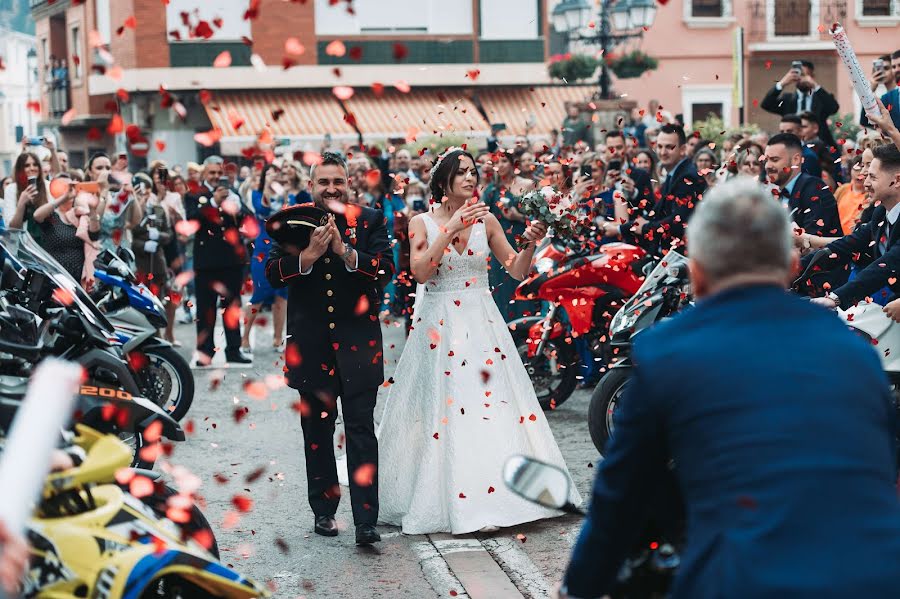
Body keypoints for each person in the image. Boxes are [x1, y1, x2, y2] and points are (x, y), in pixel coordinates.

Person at [560, 177, 900, 599]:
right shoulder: (854, 356)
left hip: (741, 580)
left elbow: (621, 495)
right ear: (792, 266)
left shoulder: (669, 353)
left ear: (698, 268)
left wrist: (578, 588)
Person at [378, 147, 581, 535]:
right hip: (438, 325)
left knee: (487, 404)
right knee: (442, 407)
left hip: (481, 322)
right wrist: (451, 228)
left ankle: (494, 493)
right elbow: (420, 273)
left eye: (473, 172)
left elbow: (516, 269)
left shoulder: (487, 220)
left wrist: (530, 242)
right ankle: (447, 493)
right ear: (444, 182)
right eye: (462, 173)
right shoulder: (420, 222)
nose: (471, 178)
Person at [265, 152, 393, 545]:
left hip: (359, 345)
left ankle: (366, 521)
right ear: (311, 186)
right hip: (311, 345)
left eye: (338, 181)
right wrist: (307, 257)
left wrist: (344, 252)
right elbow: (272, 274)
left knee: (360, 431)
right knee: (317, 432)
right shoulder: (290, 222)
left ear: (348, 183)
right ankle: (323, 511)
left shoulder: (371, 220)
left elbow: (385, 271)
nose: (332, 188)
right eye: (324, 182)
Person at [806, 143, 900, 311]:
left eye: (873, 177)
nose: (866, 183)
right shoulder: (880, 214)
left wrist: (835, 298)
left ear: (897, 180)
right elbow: (847, 245)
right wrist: (792, 269)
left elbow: (889, 262)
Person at [184, 155, 251, 366]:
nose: (215, 177)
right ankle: (205, 352)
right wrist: (214, 202)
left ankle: (234, 349)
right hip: (206, 262)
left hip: (231, 261)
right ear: (204, 174)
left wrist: (237, 207)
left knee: (231, 308)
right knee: (206, 310)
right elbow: (193, 220)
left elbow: (247, 219)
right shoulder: (195, 194)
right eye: (211, 173)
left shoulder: (232, 192)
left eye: (218, 173)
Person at [602, 124, 706, 253]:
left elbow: (677, 222)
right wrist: (621, 228)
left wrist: (643, 227)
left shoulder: (688, 176)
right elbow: (656, 213)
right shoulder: (675, 174)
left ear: (683, 149)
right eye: (660, 146)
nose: (663, 152)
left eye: (669, 147)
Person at [241, 164, 295, 353]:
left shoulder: (286, 194)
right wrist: (267, 186)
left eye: (276, 173)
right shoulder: (257, 194)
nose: (274, 176)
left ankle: (278, 338)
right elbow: (262, 209)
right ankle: (245, 338)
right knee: (259, 294)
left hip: (283, 249)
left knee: (282, 296)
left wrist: (287, 193)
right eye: (270, 174)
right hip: (263, 250)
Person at [481, 148, 536, 321]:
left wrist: (517, 216)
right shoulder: (491, 190)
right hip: (499, 246)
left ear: (513, 164)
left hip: (522, 240)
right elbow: (481, 218)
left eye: (504, 161)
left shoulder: (527, 185)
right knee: (502, 289)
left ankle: (526, 326)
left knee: (522, 283)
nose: (500, 166)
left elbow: (538, 217)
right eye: (496, 163)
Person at [763, 132, 841, 237]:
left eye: (775, 160)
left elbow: (811, 242)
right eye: (766, 160)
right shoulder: (769, 193)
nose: (768, 165)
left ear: (796, 160)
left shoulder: (816, 190)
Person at [761, 60, 840, 150]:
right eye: (799, 74)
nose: (801, 78)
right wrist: (782, 83)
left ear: (812, 77)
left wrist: (815, 86)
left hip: (820, 146)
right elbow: (766, 104)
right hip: (792, 145)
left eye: (804, 75)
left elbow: (834, 108)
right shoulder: (787, 99)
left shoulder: (821, 98)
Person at [131, 172, 173, 306]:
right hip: (138, 264)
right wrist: (142, 245)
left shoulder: (158, 210)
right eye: (142, 192)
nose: (145, 196)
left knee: (157, 303)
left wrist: (159, 236)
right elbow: (127, 236)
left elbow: (169, 234)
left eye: (148, 192)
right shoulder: (130, 211)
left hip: (156, 263)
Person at [2, 151, 47, 241]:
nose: (32, 168)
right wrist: (21, 203)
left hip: (47, 242)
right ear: (20, 169)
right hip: (23, 244)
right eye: (27, 165)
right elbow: (13, 229)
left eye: (35, 165)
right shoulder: (11, 189)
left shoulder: (48, 186)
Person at [860, 50, 900, 130]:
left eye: (886, 68)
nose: (882, 72)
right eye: (878, 69)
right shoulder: (885, 98)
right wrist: (870, 91)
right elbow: (865, 122)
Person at [778, 114, 823, 178]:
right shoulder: (779, 154)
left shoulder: (808, 157)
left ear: (801, 131)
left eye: (789, 131)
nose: (785, 135)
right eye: (782, 132)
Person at [834, 155, 867, 235]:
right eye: (856, 169)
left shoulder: (871, 196)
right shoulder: (842, 190)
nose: (859, 174)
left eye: (862, 169)